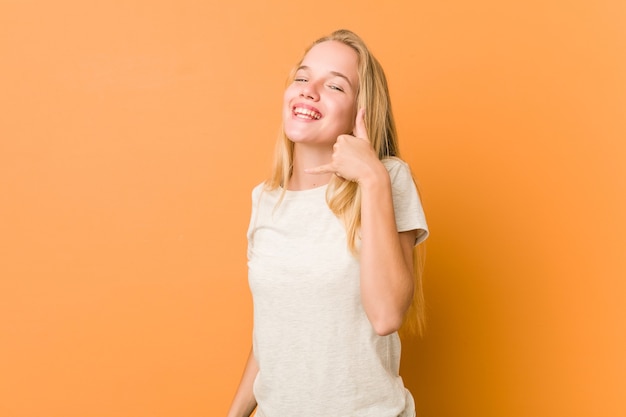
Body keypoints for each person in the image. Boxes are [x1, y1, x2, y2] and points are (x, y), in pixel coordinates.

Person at [226, 29, 428, 417]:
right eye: (302, 78)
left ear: (360, 111)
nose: (308, 90)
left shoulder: (388, 179)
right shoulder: (266, 200)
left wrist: (371, 178)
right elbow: (274, 335)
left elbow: (386, 316)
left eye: (334, 85)